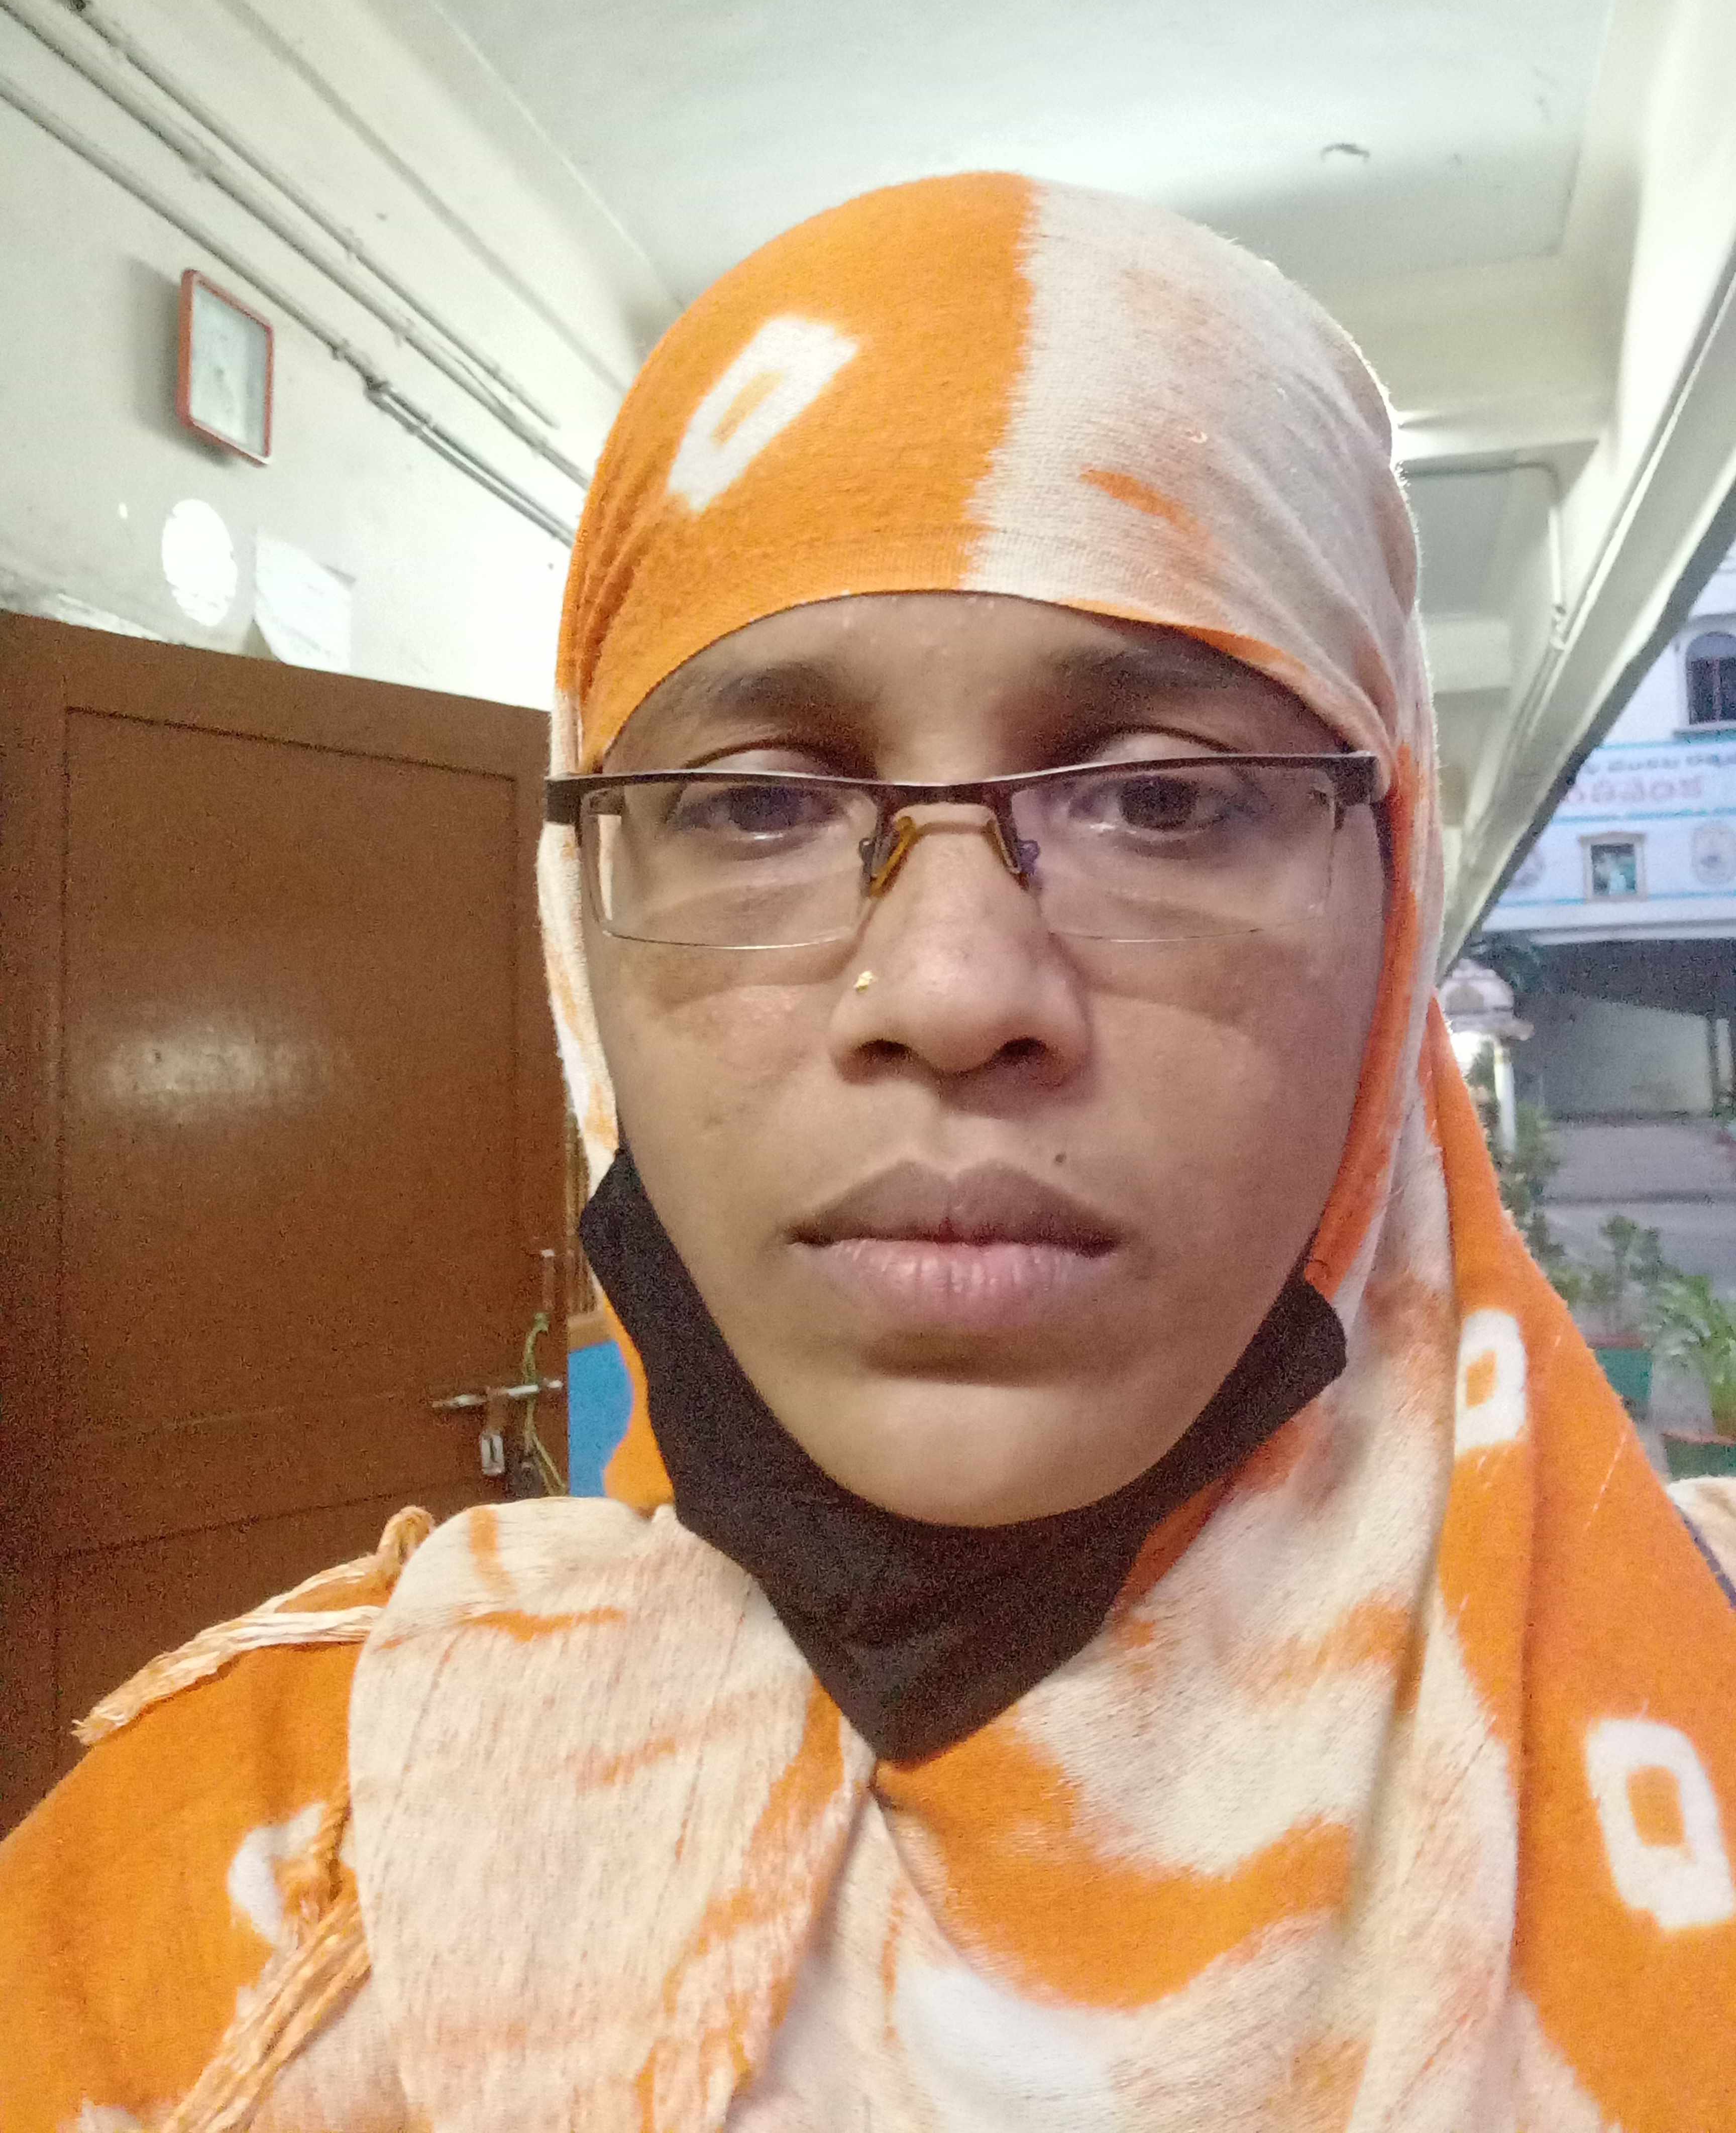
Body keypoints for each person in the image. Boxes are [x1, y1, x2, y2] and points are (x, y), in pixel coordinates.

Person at [6, 172, 1735, 2130]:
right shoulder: (276, 1876)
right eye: (754, 805)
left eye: (1165, 799)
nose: (952, 986)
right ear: (583, 933)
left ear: (1393, 900)